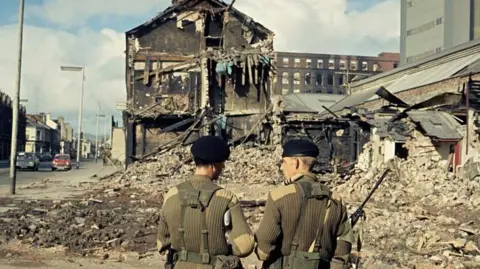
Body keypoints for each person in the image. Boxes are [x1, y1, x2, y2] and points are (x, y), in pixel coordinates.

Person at [157, 135, 255, 269]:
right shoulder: (227, 198)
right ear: (214, 166)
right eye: (222, 164)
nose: (223, 168)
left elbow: (161, 243)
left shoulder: (171, 195)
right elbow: (245, 246)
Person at [254, 139, 354, 269]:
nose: (281, 167)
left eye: (284, 162)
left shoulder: (278, 196)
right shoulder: (336, 199)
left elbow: (264, 248)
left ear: (295, 163)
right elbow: (344, 245)